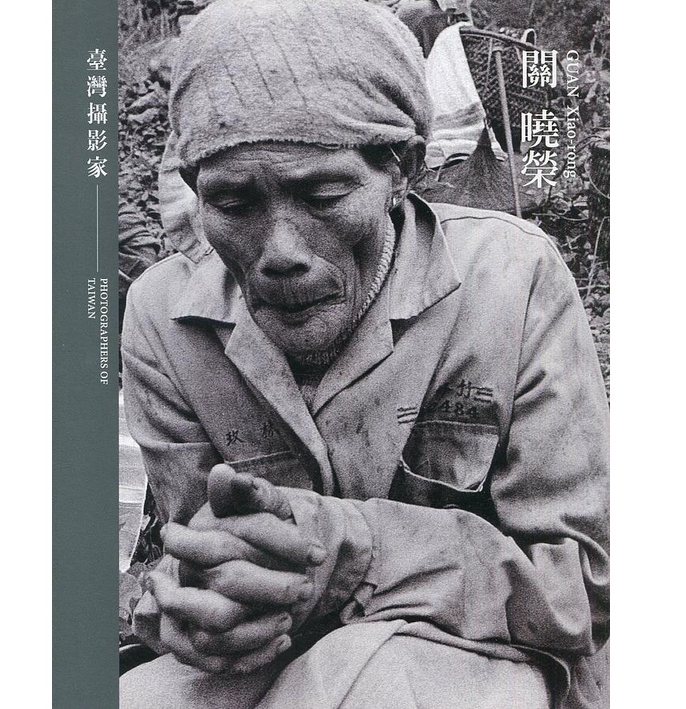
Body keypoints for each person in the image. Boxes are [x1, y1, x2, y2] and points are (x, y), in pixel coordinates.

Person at [119, 1, 609, 707]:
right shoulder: (163, 316)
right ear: (196, 193)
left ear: (401, 169)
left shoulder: (512, 280)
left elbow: (580, 588)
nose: (280, 253)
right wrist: (193, 604)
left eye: (323, 195)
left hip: (479, 647)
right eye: (234, 204)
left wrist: (355, 553)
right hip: (273, 654)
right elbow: (195, 553)